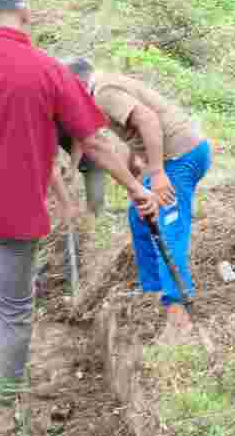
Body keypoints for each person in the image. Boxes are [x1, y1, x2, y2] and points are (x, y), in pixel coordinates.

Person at [0, 0, 153, 384]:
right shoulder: (50, 71)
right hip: (16, 206)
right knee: (12, 308)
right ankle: (7, 394)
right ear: (24, 14)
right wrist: (135, 189)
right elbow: (94, 143)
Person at [63, 58, 213, 344]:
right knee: (139, 215)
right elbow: (133, 129)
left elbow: (148, 120)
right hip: (171, 157)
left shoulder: (104, 91)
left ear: (76, 83)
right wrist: (136, 164)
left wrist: (156, 173)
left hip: (180, 156)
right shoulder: (104, 88)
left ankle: (178, 316)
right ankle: (153, 290)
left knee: (169, 229)